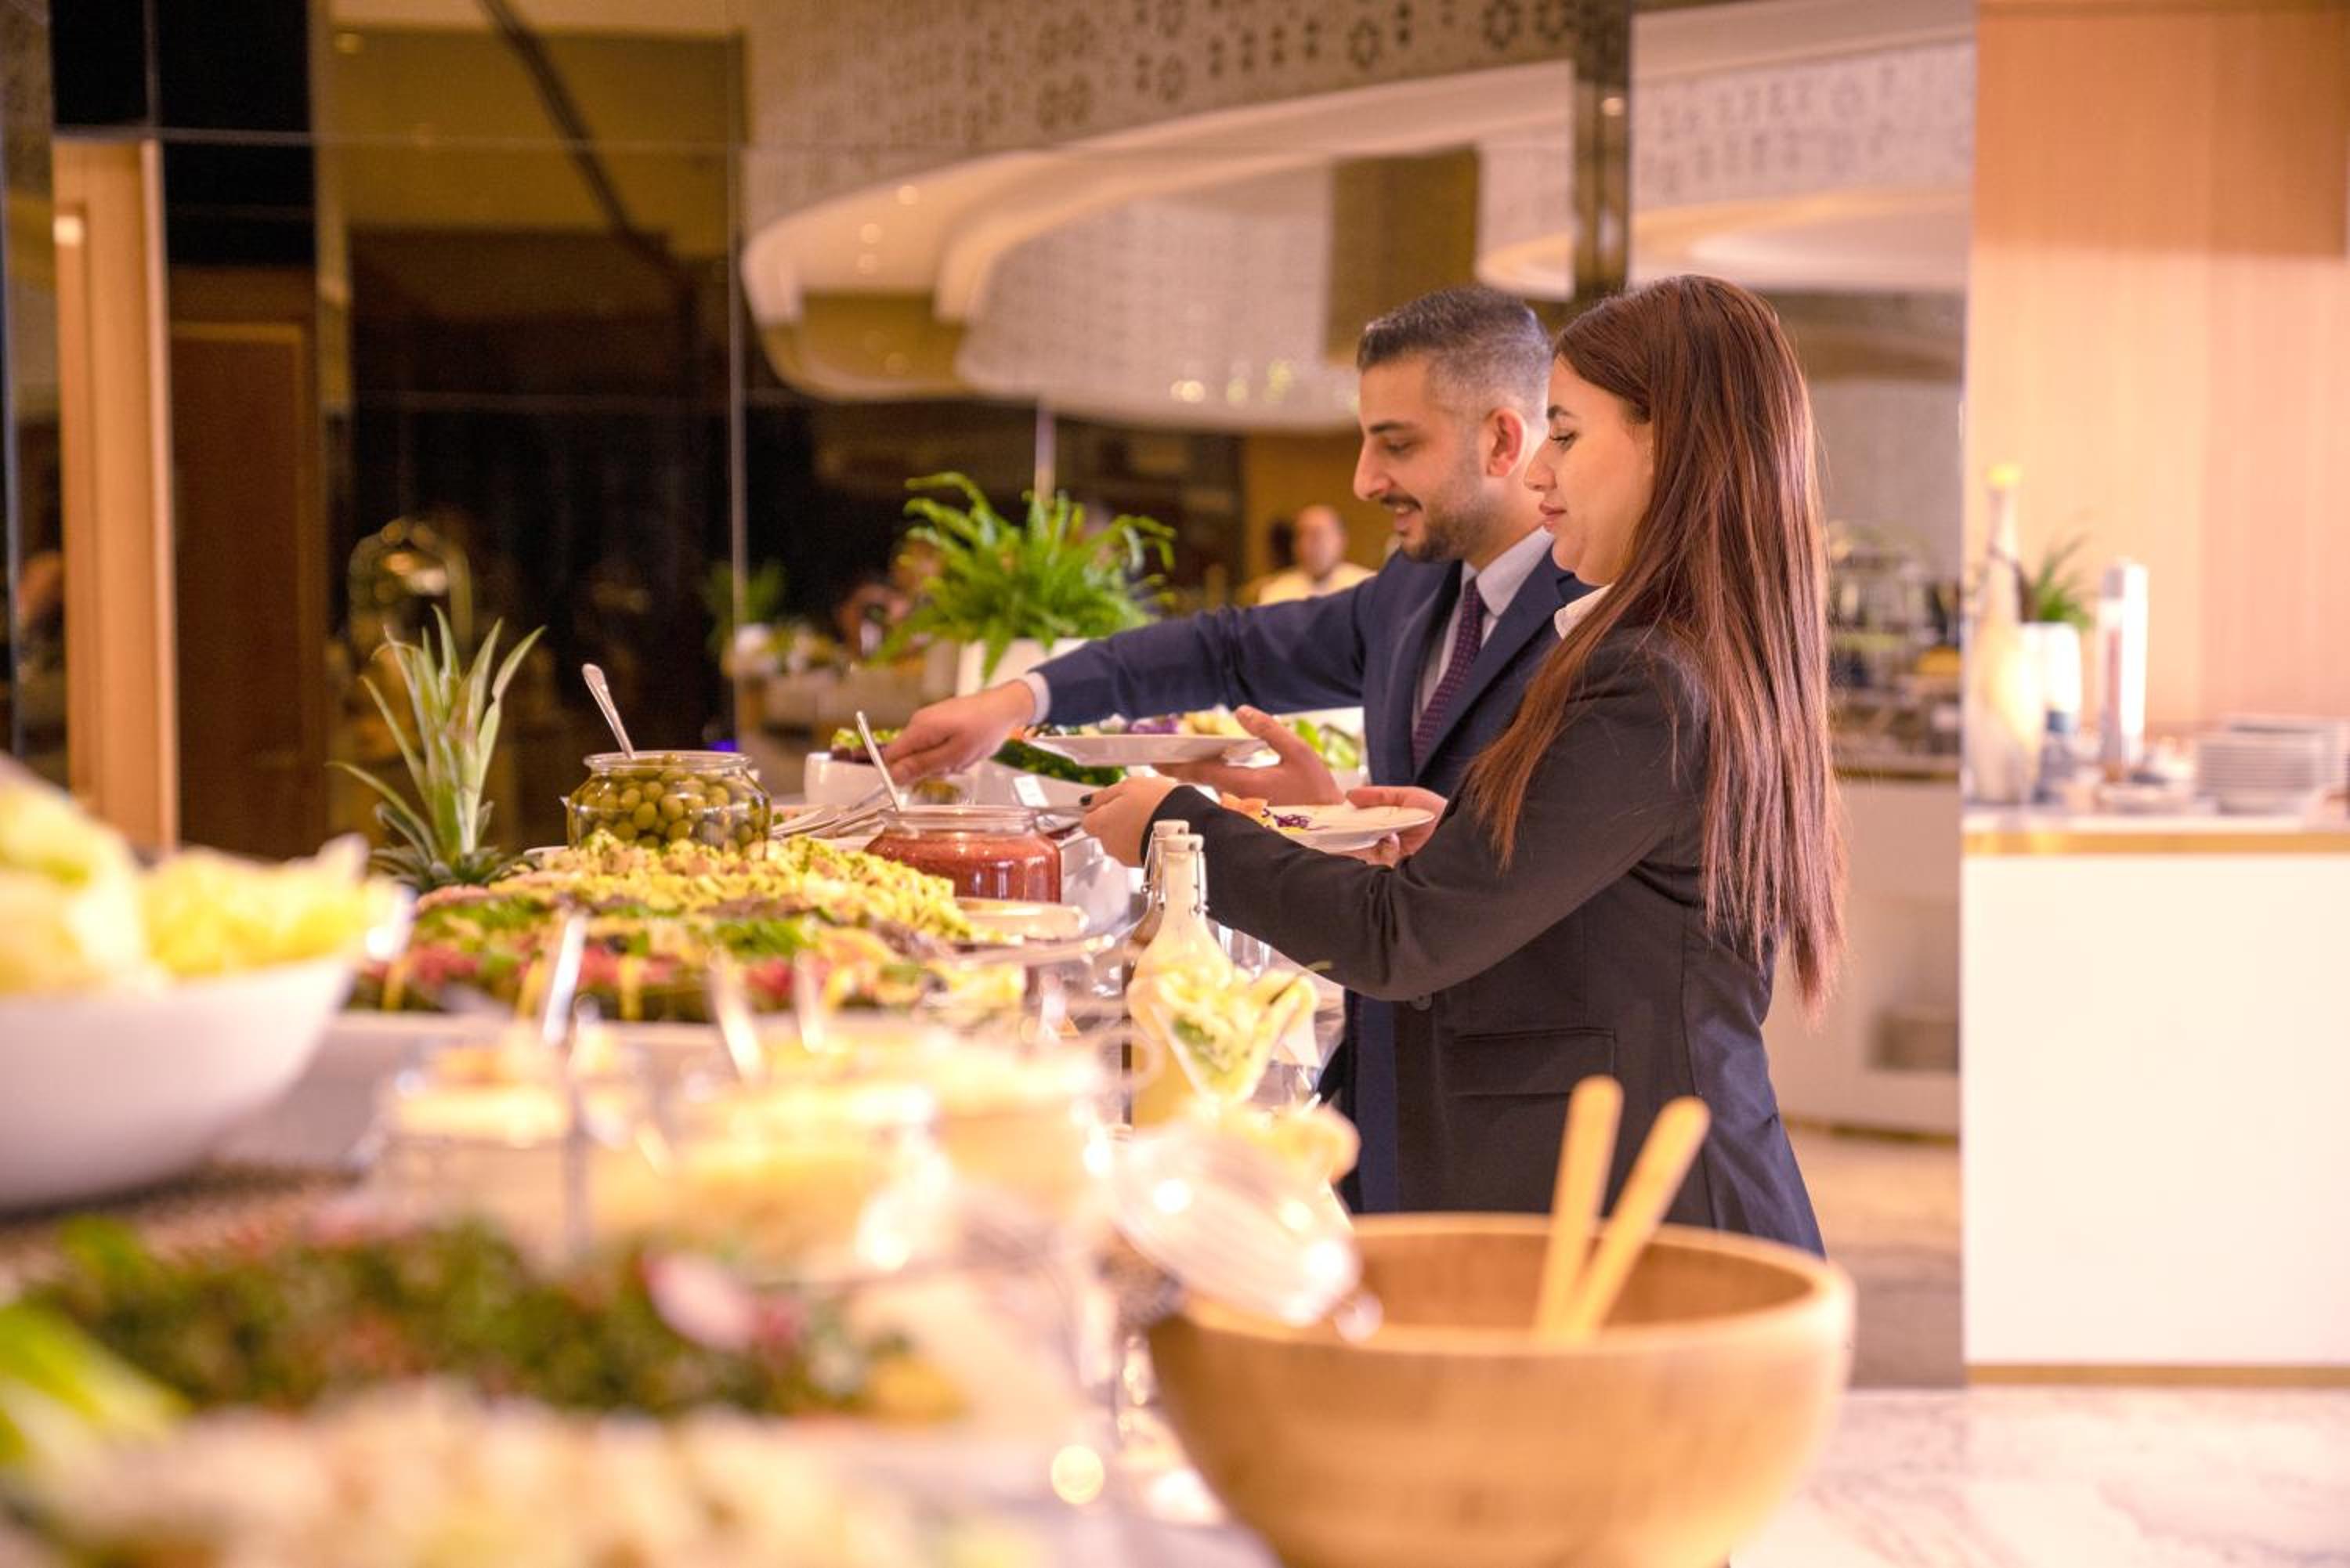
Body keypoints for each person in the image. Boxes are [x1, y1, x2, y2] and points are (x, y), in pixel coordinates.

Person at [1079, 276, 1841, 1252]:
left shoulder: (1648, 677)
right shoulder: (1667, 655)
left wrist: (1174, 826)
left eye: (1566, 434)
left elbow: (1403, 940)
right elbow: (1617, 905)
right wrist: (1461, 843)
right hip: (1616, 1197)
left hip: (1654, 1218)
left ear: (1666, 444)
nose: (1541, 472)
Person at [882, 286, 1592, 1211]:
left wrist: (1182, 824)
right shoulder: (1416, 591)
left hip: (1542, 1132)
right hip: (1396, 1099)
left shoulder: (1600, 618)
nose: (1363, 480)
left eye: (1396, 443)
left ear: (1503, 440)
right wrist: (1020, 698)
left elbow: (1530, 874)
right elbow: (1226, 650)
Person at [1252, 504, 1374, 604]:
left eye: (1316, 535)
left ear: (1340, 540)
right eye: (1300, 536)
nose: (1306, 544)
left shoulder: (1368, 588)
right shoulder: (1277, 593)